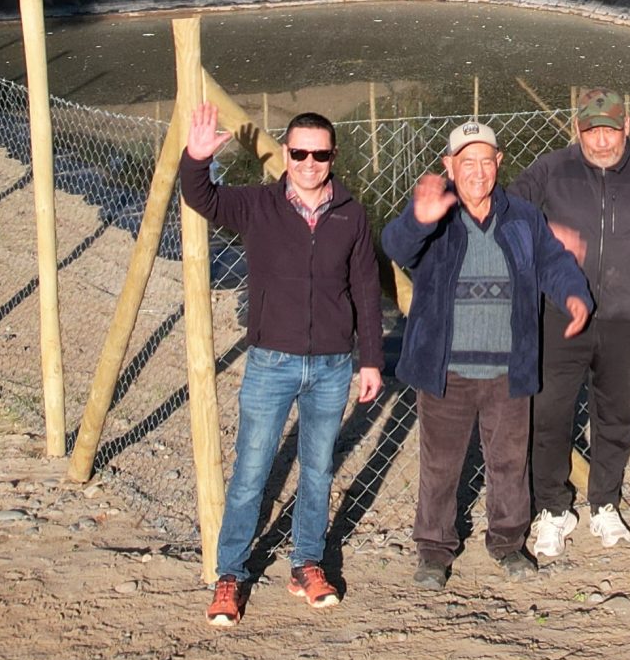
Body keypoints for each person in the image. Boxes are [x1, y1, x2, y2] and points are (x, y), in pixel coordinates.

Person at [179, 102, 384, 627]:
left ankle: (307, 564)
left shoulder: (351, 214)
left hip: (334, 365)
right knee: (251, 471)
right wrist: (195, 160)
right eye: (299, 152)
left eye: (319, 153)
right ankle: (230, 574)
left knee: (317, 470)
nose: (309, 162)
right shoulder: (257, 207)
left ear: (333, 156)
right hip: (271, 361)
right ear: (286, 155)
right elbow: (201, 197)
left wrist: (371, 361)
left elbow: (364, 289)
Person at [382, 120, 592, 585]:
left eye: (486, 161)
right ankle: (434, 552)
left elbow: (552, 262)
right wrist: (420, 218)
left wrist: (575, 295)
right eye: (466, 162)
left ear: (499, 164)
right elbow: (394, 245)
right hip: (446, 369)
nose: (477, 172)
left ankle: (508, 543)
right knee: (439, 465)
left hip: (507, 369)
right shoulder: (434, 213)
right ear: (449, 166)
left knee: (508, 464)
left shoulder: (522, 215)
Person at [512, 89, 630, 561]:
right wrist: (544, 234)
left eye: (609, 130)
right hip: (560, 317)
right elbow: (505, 211)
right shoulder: (551, 170)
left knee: (616, 419)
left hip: (628, 318)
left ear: (626, 127)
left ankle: (604, 503)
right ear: (578, 130)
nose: (601, 140)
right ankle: (553, 509)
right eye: (592, 130)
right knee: (548, 416)